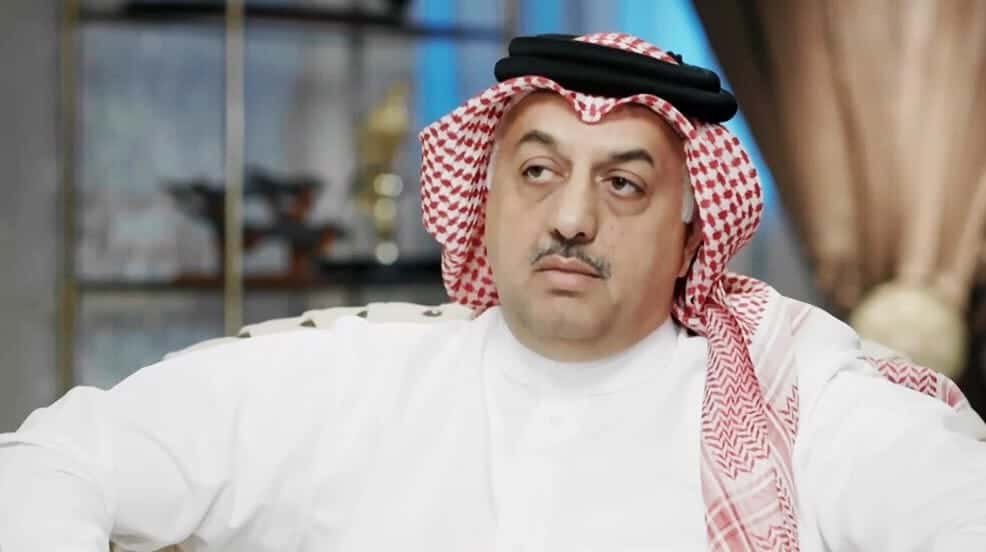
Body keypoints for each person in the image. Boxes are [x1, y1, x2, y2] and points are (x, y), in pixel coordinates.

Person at [1, 32, 985, 552]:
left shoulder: (790, 404)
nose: (571, 217)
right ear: (488, 195)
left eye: (623, 184)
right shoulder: (354, 379)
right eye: (537, 172)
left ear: (692, 231)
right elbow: (55, 460)